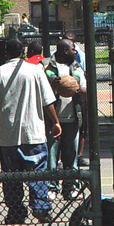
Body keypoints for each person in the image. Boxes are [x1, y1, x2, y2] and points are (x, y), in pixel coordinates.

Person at [0, 37, 62, 224]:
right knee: (37, 172)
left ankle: (16, 210)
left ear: (6, 52)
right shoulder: (35, 71)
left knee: (11, 176)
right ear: (23, 51)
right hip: (33, 133)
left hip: (8, 135)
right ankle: (40, 208)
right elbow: (47, 100)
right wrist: (55, 121)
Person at [43, 39, 86, 200]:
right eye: (72, 49)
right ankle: (51, 188)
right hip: (52, 120)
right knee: (51, 156)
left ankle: (71, 188)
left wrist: (77, 88)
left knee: (71, 156)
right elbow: (40, 89)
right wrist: (52, 85)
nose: (75, 52)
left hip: (72, 118)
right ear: (64, 51)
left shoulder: (76, 67)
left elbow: (86, 89)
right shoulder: (46, 66)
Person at [63, 30, 88, 166]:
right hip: (62, 98)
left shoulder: (80, 56)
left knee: (82, 125)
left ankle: (79, 155)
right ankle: (61, 158)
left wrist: (78, 88)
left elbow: (85, 73)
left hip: (78, 95)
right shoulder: (57, 58)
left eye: (71, 41)